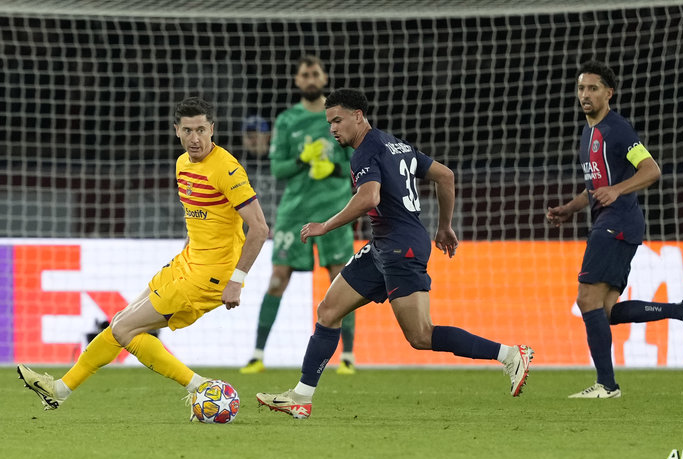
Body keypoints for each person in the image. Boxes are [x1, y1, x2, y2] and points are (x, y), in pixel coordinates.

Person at [256, 88, 534, 419]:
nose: (332, 129)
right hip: (384, 245)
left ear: (358, 116)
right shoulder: (396, 144)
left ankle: (510, 355)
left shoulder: (364, 152)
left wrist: (325, 225)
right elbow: (445, 176)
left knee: (421, 335)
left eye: (337, 121)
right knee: (329, 310)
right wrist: (444, 226)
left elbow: (369, 197)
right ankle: (301, 397)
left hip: (401, 248)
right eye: (329, 122)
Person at [17, 97, 269, 414]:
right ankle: (59, 390)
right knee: (120, 325)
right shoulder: (182, 164)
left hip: (210, 277)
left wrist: (236, 280)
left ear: (212, 129)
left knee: (124, 330)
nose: (195, 138)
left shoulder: (227, 169)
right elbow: (200, 222)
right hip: (185, 264)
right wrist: (182, 256)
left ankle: (201, 387)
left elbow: (259, 228)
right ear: (177, 131)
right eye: (188, 130)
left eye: (202, 130)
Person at [546, 60, 683, 399]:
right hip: (613, 223)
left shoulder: (617, 129)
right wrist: (570, 209)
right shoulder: (588, 132)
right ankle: (682, 310)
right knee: (604, 311)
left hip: (617, 223)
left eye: (592, 88)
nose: (585, 95)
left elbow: (652, 170)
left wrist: (619, 190)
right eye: (581, 88)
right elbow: (595, 186)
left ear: (609, 93)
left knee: (586, 299)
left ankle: (607, 385)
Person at [241, 55, 358, 376]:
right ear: (297, 80)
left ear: (323, 78)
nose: (310, 78)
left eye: (315, 73)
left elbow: (356, 163)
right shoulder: (287, 121)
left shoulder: (339, 117)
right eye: (304, 74)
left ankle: (347, 357)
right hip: (295, 213)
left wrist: (334, 167)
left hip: (335, 210)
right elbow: (277, 167)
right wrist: (304, 162)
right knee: (278, 279)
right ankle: (257, 354)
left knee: (342, 282)